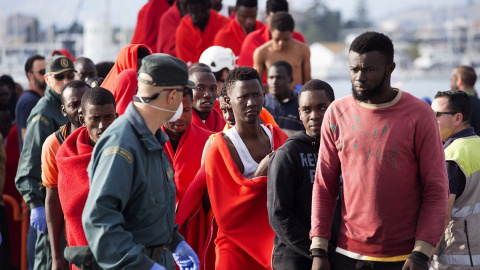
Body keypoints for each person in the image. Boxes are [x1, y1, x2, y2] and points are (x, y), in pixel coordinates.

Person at [310, 31, 449, 270]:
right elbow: (324, 185)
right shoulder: (336, 112)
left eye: (368, 70)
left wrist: (422, 252)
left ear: (390, 68)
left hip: (405, 258)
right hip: (347, 254)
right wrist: (319, 249)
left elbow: (436, 188)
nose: (359, 77)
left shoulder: (419, 114)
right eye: (354, 69)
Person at [82, 54, 199, 270]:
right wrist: (142, 265)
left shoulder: (152, 138)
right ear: (172, 95)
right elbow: (100, 221)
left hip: (155, 257)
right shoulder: (121, 144)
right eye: (183, 93)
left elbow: (146, 208)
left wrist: (174, 241)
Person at [205, 66, 288, 269]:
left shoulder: (279, 138)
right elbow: (225, 215)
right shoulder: (220, 147)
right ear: (228, 101)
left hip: (276, 244)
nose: (252, 102)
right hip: (234, 245)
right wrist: (261, 173)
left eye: (257, 95)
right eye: (243, 97)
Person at [268, 79, 337, 270]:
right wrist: (319, 252)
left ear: (334, 109)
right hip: (295, 259)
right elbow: (279, 215)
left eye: (321, 108)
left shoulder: (344, 151)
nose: (314, 115)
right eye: (307, 110)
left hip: (338, 257)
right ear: (299, 113)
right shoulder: (287, 155)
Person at [15, 55, 75, 270]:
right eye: (60, 77)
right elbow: (28, 166)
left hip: (67, 205)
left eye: (70, 76)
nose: (66, 81)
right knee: (49, 260)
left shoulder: (69, 105)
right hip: (49, 204)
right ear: (48, 80)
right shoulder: (43, 115)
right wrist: (35, 204)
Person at [56, 87, 117, 269]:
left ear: (117, 116)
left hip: (122, 253)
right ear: (83, 120)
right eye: (95, 119)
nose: (102, 126)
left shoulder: (128, 150)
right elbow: (69, 207)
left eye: (108, 117)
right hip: (83, 255)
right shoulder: (68, 155)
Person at [42, 81, 90, 270]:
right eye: (73, 105)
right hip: (74, 238)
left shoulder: (107, 137)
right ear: (63, 110)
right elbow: (52, 199)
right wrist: (55, 257)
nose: (80, 110)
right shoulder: (53, 145)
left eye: (84, 103)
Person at [430, 90, 480, 269]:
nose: (430, 119)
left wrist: (424, 253)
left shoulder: (451, 156)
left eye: (435, 114)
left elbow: (442, 212)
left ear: (457, 118)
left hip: (458, 256)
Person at [161, 89, 213, 204]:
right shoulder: (146, 143)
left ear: (192, 104)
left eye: (186, 110)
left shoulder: (211, 142)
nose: (180, 117)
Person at [237, 0, 306, 68]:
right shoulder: (252, 40)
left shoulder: (298, 39)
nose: (278, 23)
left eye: (282, 18)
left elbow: (307, 77)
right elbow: (243, 76)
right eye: (274, 19)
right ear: (266, 17)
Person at [253, 12, 311, 89]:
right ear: (271, 32)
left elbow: (308, 80)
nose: (281, 43)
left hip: (297, 99)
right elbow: (256, 84)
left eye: (286, 39)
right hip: (273, 99)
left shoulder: (303, 50)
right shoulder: (261, 52)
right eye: (277, 39)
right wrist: (272, 90)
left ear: (292, 33)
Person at [175, 0, 230, 66]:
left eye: (197, 13)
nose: (194, 17)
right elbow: (184, 64)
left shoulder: (225, 24)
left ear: (207, 8)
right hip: (193, 73)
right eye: (191, 13)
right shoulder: (183, 29)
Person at [263, 60, 304, 135]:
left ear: (290, 79)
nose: (274, 82)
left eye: (280, 78)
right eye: (271, 77)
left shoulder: (301, 105)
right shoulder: (263, 103)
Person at [16, 55, 46, 151]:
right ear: (30, 75)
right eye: (42, 72)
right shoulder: (29, 101)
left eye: (48, 72)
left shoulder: (35, 99)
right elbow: (27, 138)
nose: (46, 76)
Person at [188, 66, 226, 132]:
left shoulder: (225, 127)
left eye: (213, 89)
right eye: (200, 88)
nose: (208, 95)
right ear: (187, 90)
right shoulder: (177, 125)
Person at [449, 66, 480, 136]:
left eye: (452, 80)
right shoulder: (478, 103)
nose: (450, 84)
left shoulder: (456, 106)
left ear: (459, 81)